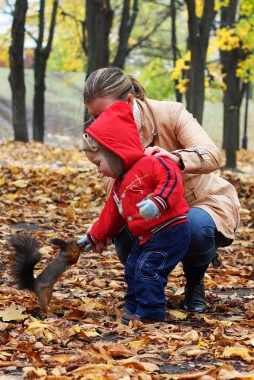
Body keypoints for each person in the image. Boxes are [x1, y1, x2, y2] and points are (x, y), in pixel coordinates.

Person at [80, 66, 241, 314]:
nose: (101, 122)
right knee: (125, 241)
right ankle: (148, 289)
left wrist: (175, 159)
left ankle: (195, 279)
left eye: (106, 113)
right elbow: (115, 191)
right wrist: (101, 230)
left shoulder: (169, 113)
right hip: (148, 213)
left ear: (129, 101)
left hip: (197, 202)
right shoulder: (102, 136)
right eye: (95, 116)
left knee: (194, 228)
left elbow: (211, 155)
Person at [82, 101, 191, 323]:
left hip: (170, 231)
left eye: (99, 162)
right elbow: (110, 216)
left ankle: (150, 314)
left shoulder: (152, 162)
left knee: (148, 268)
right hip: (148, 237)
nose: (98, 170)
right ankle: (134, 307)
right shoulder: (119, 184)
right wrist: (94, 236)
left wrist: (158, 202)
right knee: (132, 268)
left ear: (115, 152)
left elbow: (171, 179)